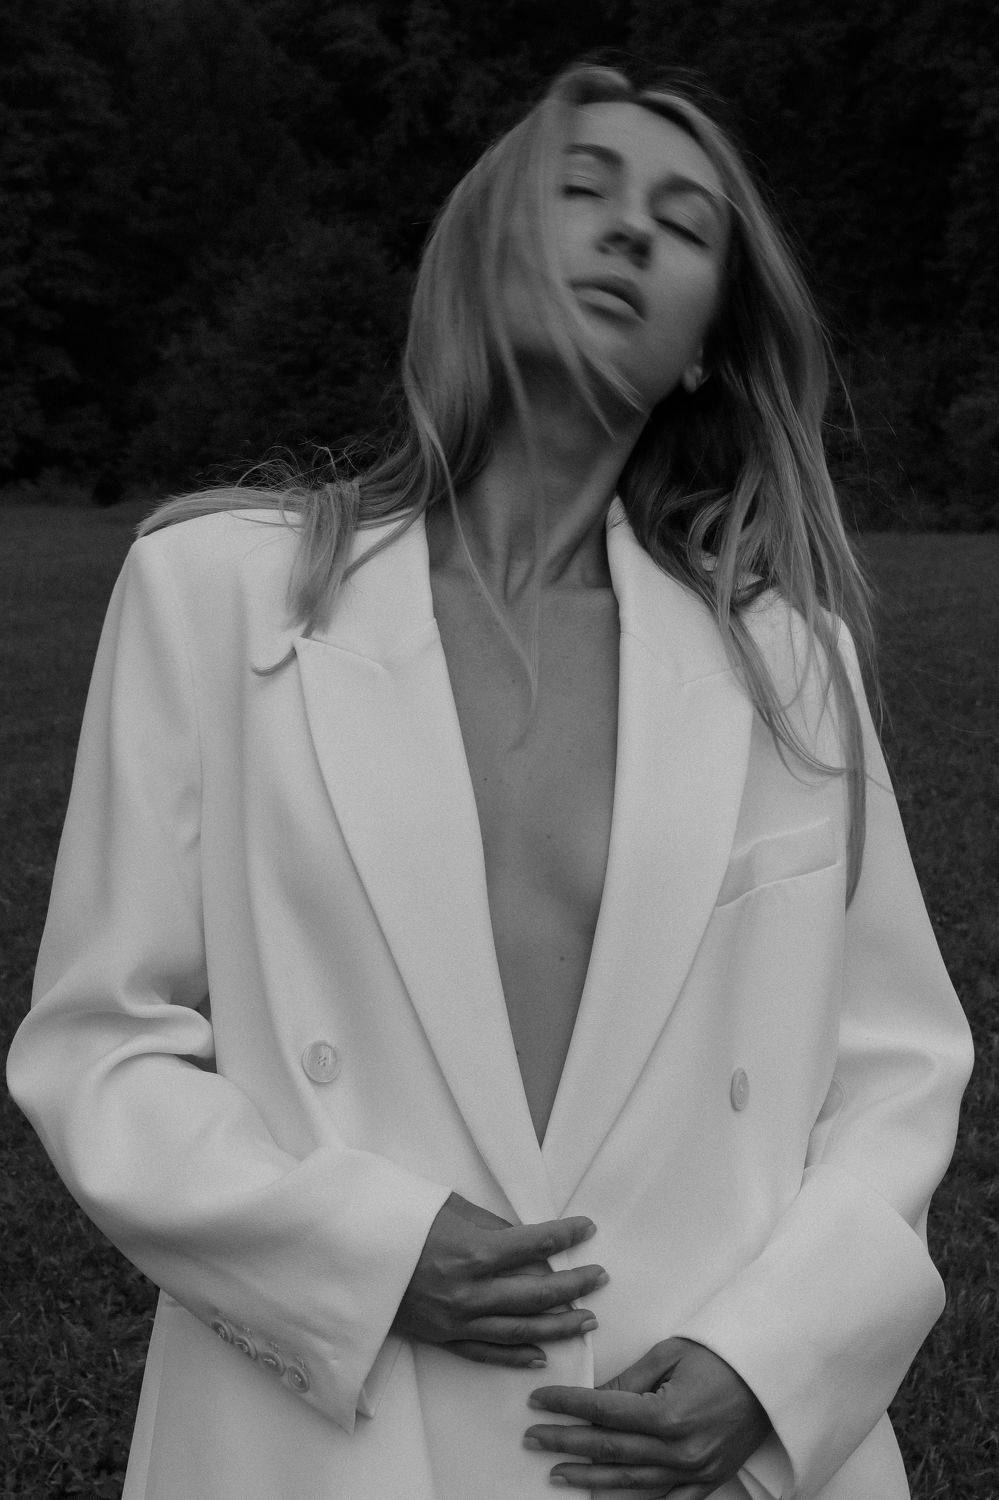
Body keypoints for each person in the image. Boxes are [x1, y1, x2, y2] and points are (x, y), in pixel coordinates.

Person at [6, 59, 973, 1499]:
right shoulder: (216, 596)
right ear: (482, 260)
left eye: (683, 224)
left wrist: (775, 1365)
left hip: (682, 1453)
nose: (630, 227)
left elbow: (898, 1068)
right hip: (329, 1446)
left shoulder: (787, 660)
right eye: (581, 190)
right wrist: (360, 1255)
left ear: (706, 349)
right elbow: (100, 1046)